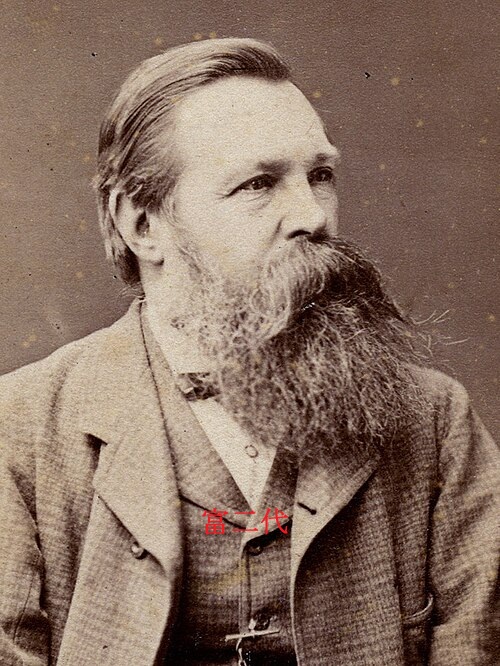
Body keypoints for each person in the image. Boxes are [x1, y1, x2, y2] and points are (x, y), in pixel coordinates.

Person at [0, 37, 497, 666]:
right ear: (143, 225)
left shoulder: (433, 421)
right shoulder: (20, 430)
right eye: (258, 184)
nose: (313, 216)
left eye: (321, 176)